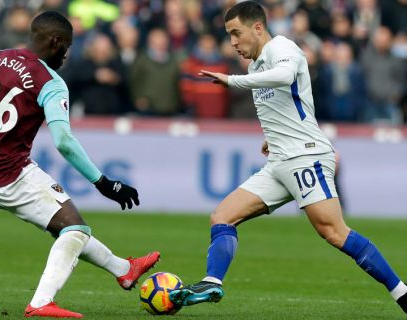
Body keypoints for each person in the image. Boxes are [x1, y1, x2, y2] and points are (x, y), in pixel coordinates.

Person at [168, 1, 407, 315]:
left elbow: (283, 76)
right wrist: (272, 138)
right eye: (229, 36)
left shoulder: (284, 48)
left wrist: (232, 80)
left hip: (307, 156)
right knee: (222, 216)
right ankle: (213, 281)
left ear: (257, 27)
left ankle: (402, 294)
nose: (233, 43)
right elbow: (290, 102)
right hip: (280, 161)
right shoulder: (255, 66)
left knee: (334, 232)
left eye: (236, 33)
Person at [0, 11, 160, 318]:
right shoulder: (50, 82)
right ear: (56, 41)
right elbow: (64, 142)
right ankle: (41, 301)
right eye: (67, 46)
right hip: (9, 173)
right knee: (76, 228)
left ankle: (125, 269)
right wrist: (104, 182)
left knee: (66, 227)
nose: (68, 54)